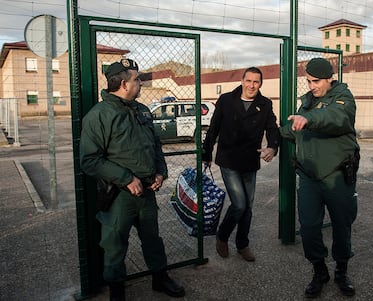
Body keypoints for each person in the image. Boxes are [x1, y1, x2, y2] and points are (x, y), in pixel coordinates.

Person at [79, 59, 185, 301]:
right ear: (125, 83)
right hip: (119, 196)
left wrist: (160, 172)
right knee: (115, 246)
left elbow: (155, 145)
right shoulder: (99, 116)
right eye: (137, 79)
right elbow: (89, 160)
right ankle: (117, 292)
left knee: (153, 239)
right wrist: (126, 179)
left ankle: (160, 279)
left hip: (147, 192)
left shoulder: (142, 110)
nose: (141, 83)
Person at [279, 57, 360, 298]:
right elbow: (291, 131)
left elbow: (336, 118)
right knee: (309, 228)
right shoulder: (306, 103)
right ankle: (320, 270)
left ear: (330, 79)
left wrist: (310, 119)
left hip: (337, 177)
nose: (311, 86)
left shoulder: (343, 98)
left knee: (342, 227)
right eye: (308, 81)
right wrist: (273, 142)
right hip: (310, 178)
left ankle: (342, 271)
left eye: (316, 81)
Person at [202, 66, 281, 262]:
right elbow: (214, 127)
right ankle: (222, 235)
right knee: (239, 204)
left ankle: (242, 244)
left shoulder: (265, 104)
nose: (252, 85)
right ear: (242, 81)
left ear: (260, 84)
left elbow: (272, 128)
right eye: (249, 81)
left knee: (248, 207)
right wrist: (206, 152)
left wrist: (272, 147)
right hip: (228, 160)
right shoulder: (227, 100)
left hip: (250, 161)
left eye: (256, 82)